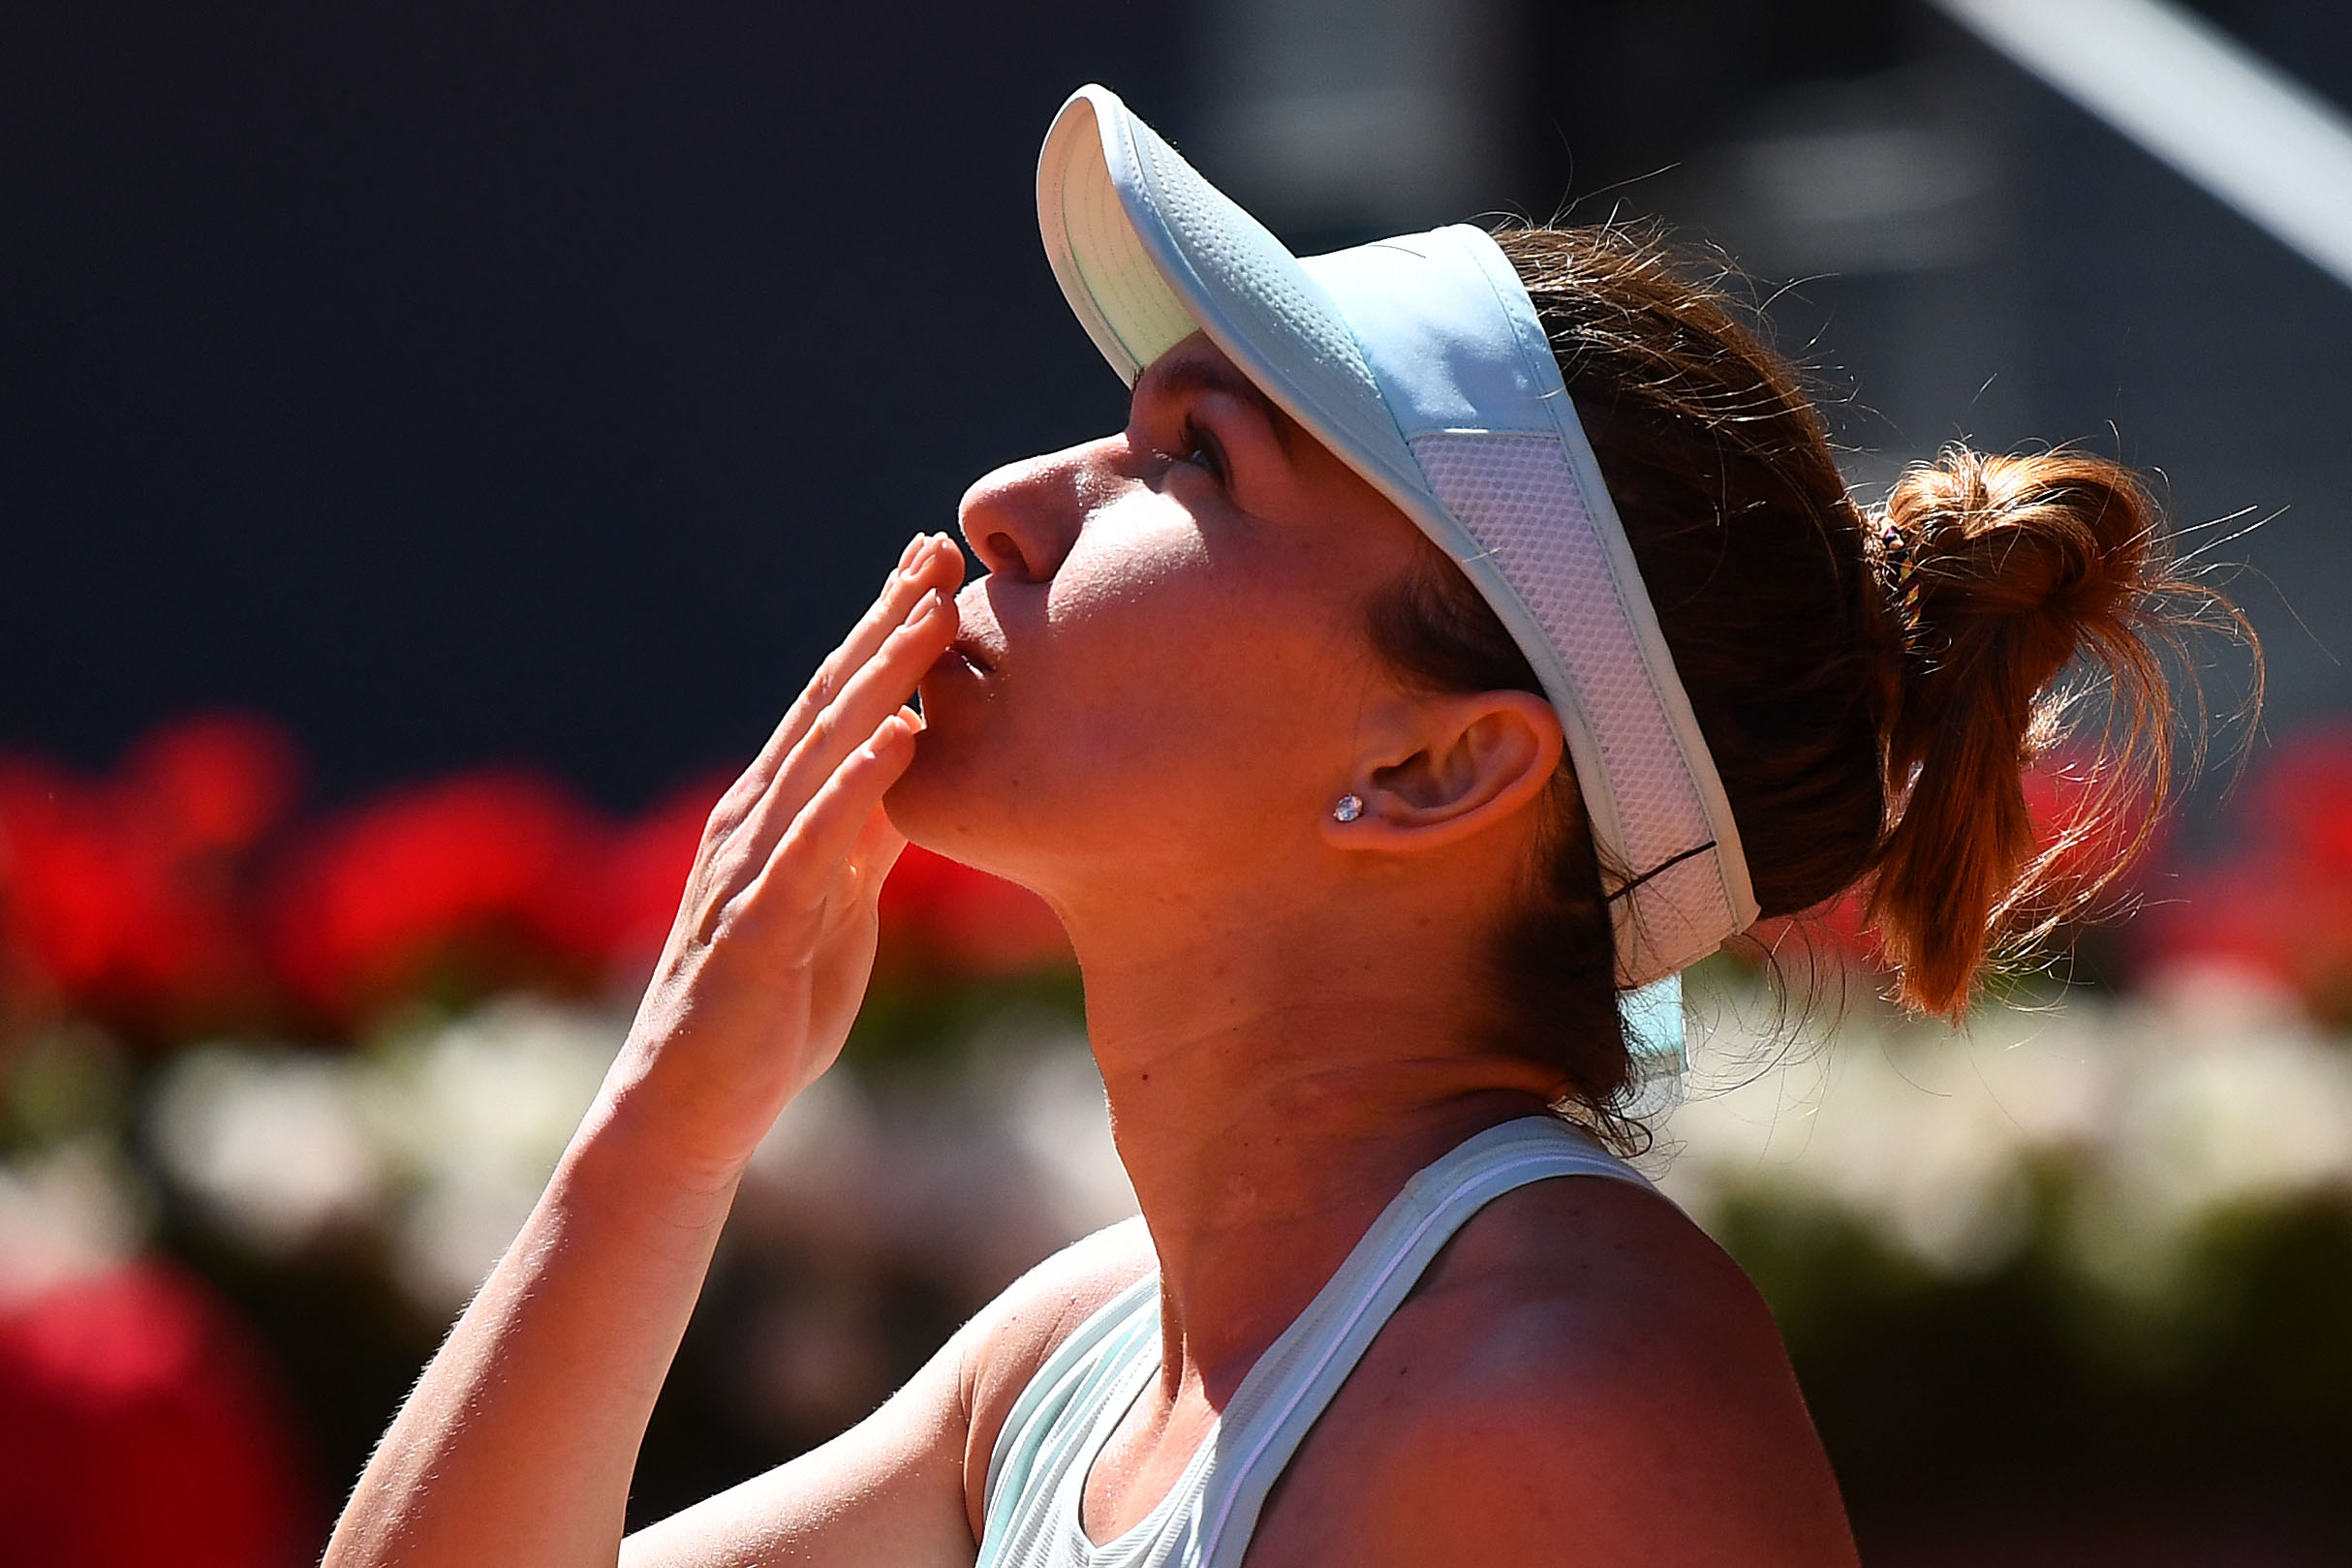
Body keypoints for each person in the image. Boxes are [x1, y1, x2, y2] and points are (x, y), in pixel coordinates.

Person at [323, 85, 2228, 1567]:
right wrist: (668, 1123)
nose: (1004, 501)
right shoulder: (1070, 1360)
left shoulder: (1564, 1393)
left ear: (1435, 769)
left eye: (1188, 459)